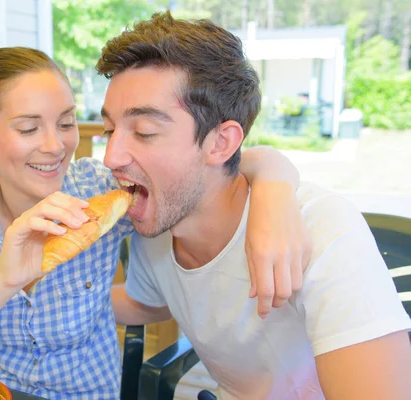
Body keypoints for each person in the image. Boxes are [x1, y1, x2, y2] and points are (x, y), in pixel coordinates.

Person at [0, 47, 308, 399]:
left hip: (86, 390)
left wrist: (274, 185)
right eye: (28, 128)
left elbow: (206, 169)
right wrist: (4, 280)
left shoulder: (102, 188)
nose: (54, 145)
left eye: (66, 123)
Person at [103, 12, 411, 399]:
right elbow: (147, 304)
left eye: (145, 132)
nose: (111, 157)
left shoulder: (323, 229)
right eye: (109, 130)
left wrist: (276, 186)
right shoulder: (157, 225)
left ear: (220, 143)